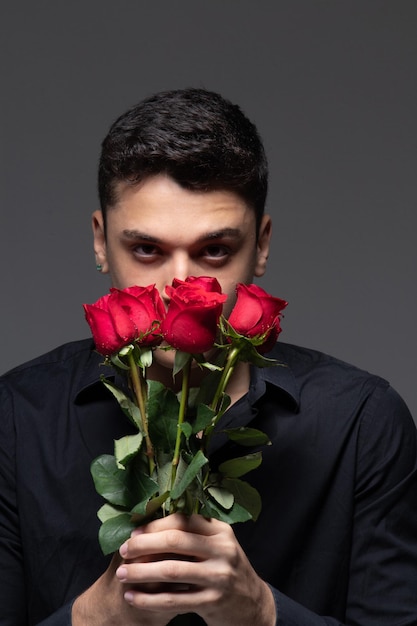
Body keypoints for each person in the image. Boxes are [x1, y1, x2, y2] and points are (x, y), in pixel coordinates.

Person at [0, 88, 416, 626]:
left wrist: (263, 612)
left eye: (214, 250)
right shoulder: (15, 419)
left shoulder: (362, 422)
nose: (180, 285)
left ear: (261, 246)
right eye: (146, 250)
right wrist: (91, 617)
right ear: (101, 243)